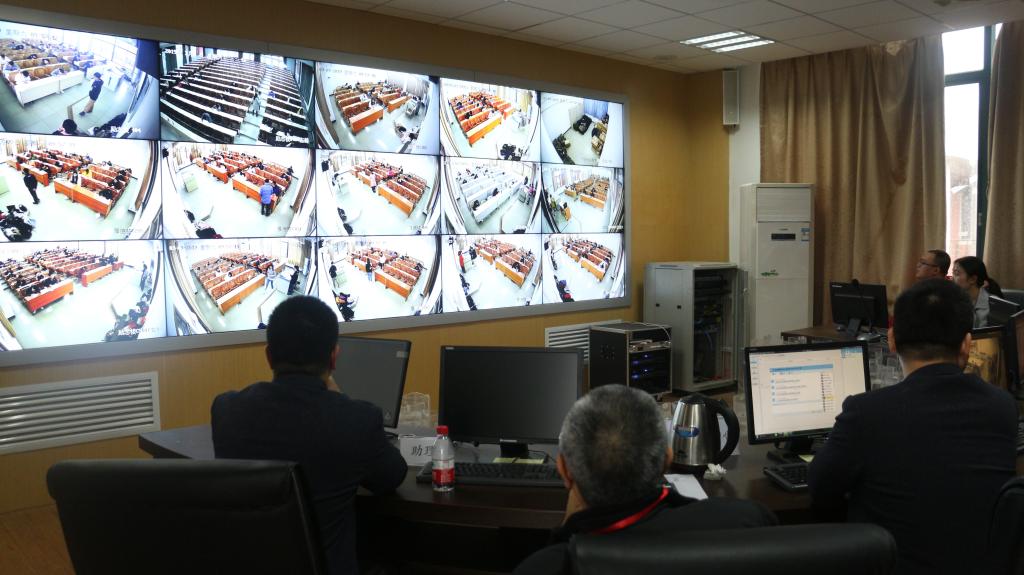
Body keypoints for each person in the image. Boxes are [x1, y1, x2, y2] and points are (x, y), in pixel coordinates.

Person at [808, 279, 1017, 574]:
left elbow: (820, 487)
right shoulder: (1002, 406)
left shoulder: (866, 412)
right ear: (967, 344)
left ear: (892, 340)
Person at [212, 296, 406, 575]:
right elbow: (391, 476)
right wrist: (340, 397)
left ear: (269, 356)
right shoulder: (356, 420)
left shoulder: (226, 411)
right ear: (334, 357)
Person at [514, 385, 776, 574]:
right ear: (667, 460)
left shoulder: (546, 565)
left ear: (563, 468)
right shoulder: (747, 520)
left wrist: (567, 528)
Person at [952, 255, 1004, 328]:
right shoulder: (956, 299)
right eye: (953, 273)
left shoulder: (993, 305)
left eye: (956, 274)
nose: (952, 278)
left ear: (972, 279)